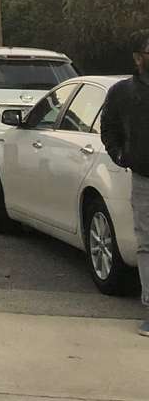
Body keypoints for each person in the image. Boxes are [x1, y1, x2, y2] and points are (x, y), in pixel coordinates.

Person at [101, 28, 149, 336]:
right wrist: (123, 156)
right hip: (145, 177)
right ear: (138, 57)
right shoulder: (122, 92)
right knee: (147, 243)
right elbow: (109, 129)